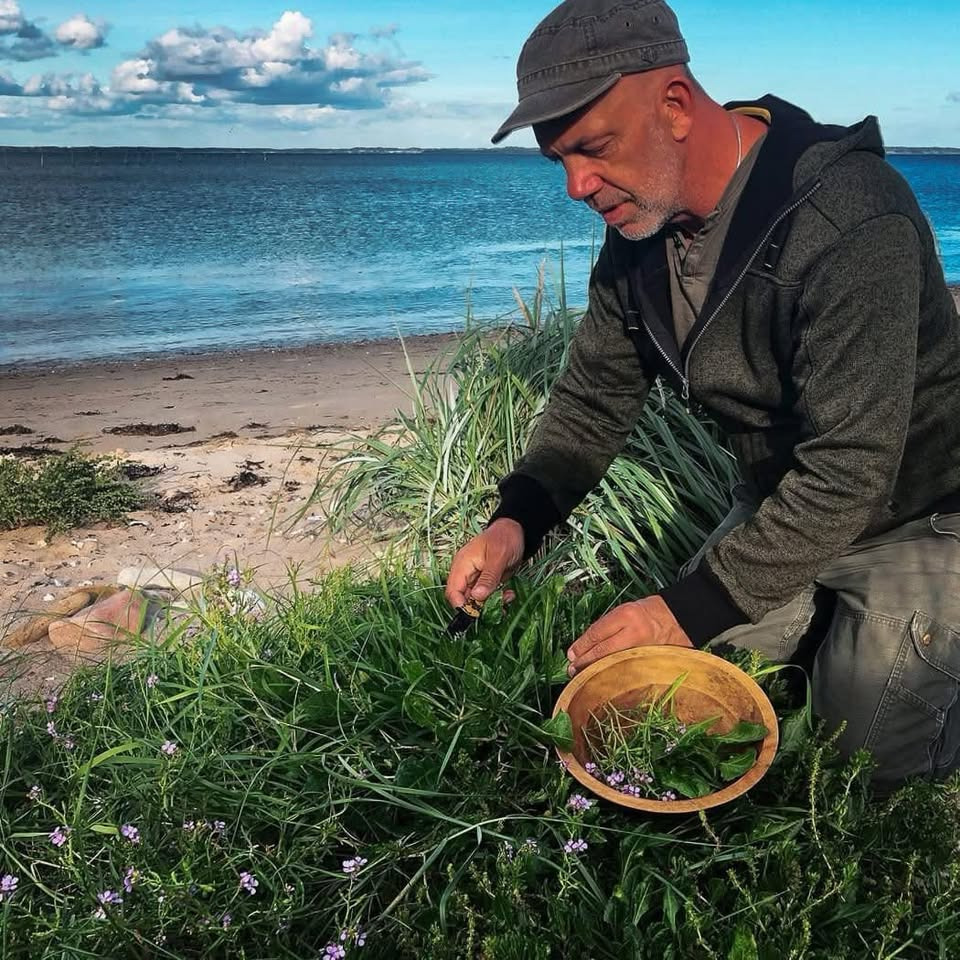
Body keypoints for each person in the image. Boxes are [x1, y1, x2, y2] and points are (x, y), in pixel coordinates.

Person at [445, 0, 960, 788]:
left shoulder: (851, 215)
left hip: (919, 518)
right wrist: (516, 523)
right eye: (560, 163)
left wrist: (681, 607)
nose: (578, 186)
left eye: (593, 149)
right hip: (783, 504)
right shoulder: (640, 232)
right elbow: (592, 400)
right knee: (661, 707)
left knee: (854, 773)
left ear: (676, 106)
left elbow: (851, 469)